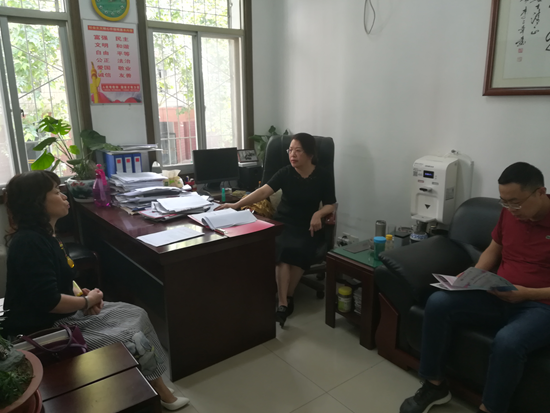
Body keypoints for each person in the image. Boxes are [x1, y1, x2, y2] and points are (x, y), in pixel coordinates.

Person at [1, 171, 189, 411]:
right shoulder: (30, 243)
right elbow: (49, 301)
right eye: (56, 192)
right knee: (128, 335)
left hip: (61, 314)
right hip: (42, 329)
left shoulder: (47, 236)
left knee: (136, 313)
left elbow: (61, 281)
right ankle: (156, 393)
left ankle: (155, 386)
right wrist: (86, 302)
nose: (64, 196)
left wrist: (83, 296)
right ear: (37, 202)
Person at [400, 162, 550, 413]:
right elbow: (494, 249)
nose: (510, 209)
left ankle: (490, 408)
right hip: (499, 292)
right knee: (438, 302)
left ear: (540, 192)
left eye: (515, 203)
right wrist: (475, 273)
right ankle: (434, 385)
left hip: (540, 305)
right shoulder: (510, 213)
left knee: (508, 341)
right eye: (504, 202)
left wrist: (527, 294)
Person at [217, 133, 336, 327]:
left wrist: (318, 214)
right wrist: (236, 204)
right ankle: (283, 303)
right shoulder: (286, 173)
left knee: (301, 249)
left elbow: (331, 204)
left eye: (298, 151)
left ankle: (287, 297)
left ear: (310, 154)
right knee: (283, 249)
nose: (292, 155)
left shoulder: (323, 175)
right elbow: (263, 191)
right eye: (290, 150)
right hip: (283, 222)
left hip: (307, 225)